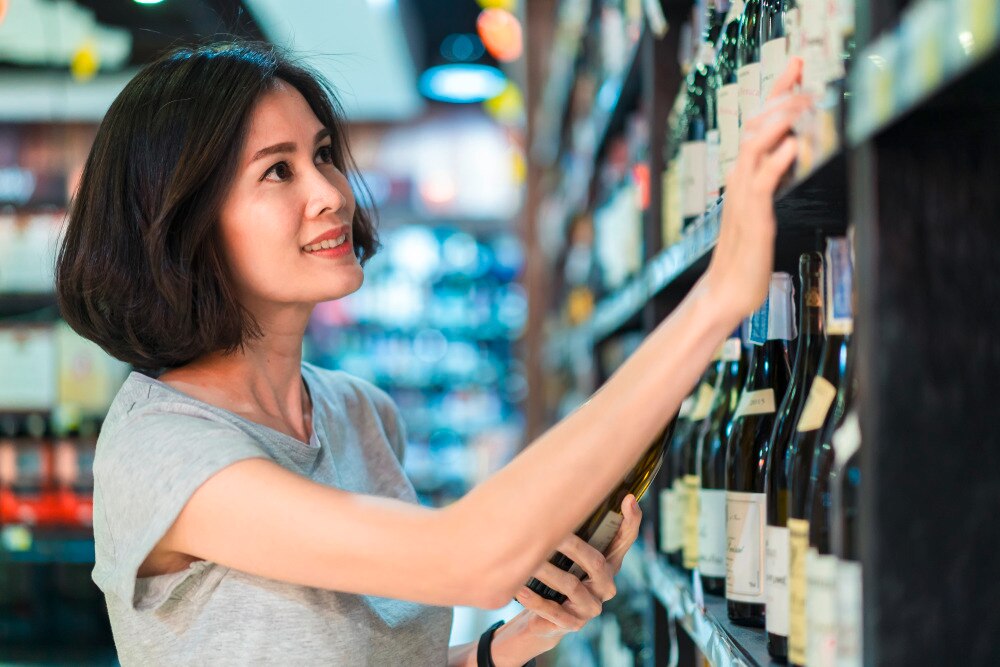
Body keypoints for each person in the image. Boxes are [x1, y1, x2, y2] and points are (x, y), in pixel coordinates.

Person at [54, 41, 808, 665]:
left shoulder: (357, 414)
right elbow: (470, 555)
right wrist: (713, 302)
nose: (332, 193)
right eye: (277, 170)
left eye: (322, 154)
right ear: (182, 220)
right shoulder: (162, 450)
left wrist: (508, 644)